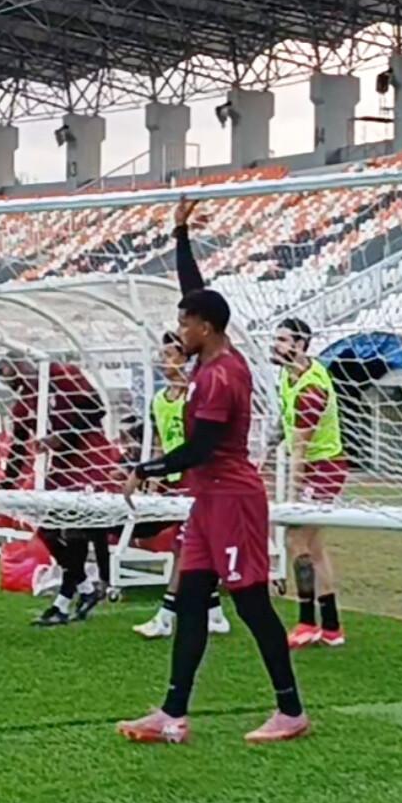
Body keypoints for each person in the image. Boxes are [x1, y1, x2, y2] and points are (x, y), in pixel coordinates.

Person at [116, 201, 309, 746]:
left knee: (250, 603)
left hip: (232, 500)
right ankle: (173, 712)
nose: (178, 330)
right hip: (207, 504)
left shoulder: (222, 377)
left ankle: (290, 710)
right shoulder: (210, 355)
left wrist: (146, 468)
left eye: (183, 323)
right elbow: (196, 289)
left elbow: (199, 448)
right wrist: (179, 233)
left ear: (204, 327)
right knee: (193, 597)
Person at [0, 355, 115, 627]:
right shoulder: (23, 405)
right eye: (10, 384)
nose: (16, 387)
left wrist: (62, 436)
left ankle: (65, 602)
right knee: (47, 529)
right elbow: (18, 447)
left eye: (15, 378)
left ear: (25, 366)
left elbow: (96, 408)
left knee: (76, 530)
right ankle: (85, 589)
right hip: (61, 468)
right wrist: (5, 485)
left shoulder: (63, 375)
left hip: (88, 458)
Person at [132, 329, 231, 640]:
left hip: (199, 480)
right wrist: (152, 479)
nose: (165, 363)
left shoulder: (198, 395)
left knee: (183, 548)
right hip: (174, 482)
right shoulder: (160, 401)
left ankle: (165, 617)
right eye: (163, 356)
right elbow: (162, 443)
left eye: (171, 356)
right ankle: (215, 614)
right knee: (189, 547)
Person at [274, 316, 350, 648]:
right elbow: (286, 424)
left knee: (295, 539)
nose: (275, 345)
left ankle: (307, 622)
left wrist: (292, 496)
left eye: (282, 339)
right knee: (315, 547)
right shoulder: (287, 376)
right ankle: (331, 627)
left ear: (300, 345)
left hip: (323, 467)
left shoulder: (313, 387)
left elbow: (302, 448)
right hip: (316, 464)